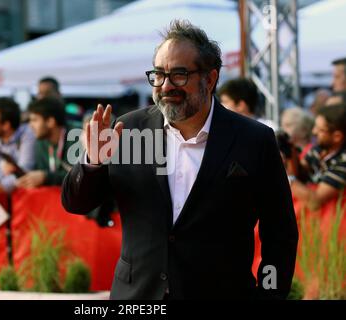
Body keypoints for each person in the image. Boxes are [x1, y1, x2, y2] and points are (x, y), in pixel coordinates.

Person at [62, 20, 298, 300]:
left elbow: (279, 232)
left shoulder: (254, 139)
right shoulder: (128, 131)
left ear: (210, 79)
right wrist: (92, 163)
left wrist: (269, 294)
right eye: (159, 74)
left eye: (179, 74)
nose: (165, 86)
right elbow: (77, 204)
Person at [287, 103, 346, 211]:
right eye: (315, 127)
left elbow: (315, 201)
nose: (314, 132)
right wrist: (290, 154)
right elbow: (300, 172)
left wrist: (288, 178)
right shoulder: (320, 148)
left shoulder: (343, 162)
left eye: (321, 130)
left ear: (337, 136)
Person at [17, 97, 75, 188]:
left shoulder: (76, 136)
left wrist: (46, 177)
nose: (30, 125)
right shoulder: (41, 141)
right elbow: (41, 172)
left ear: (50, 121)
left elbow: (79, 177)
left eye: (34, 120)